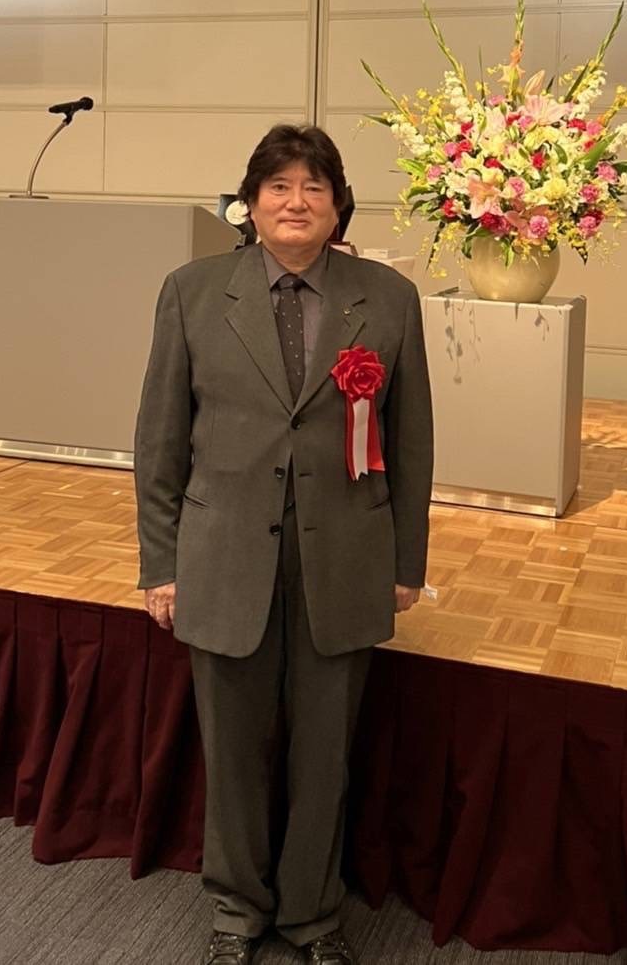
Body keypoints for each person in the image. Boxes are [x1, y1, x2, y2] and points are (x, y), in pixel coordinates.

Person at [134, 124, 434, 965]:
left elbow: (412, 442)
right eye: (278, 186)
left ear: (339, 206)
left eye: (314, 186)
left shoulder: (388, 297)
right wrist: (161, 565)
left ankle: (312, 915)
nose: (295, 202)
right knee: (232, 754)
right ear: (250, 203)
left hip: (343, 557)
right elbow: (159, 441)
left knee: (324, 756)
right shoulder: (192, 292)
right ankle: (236, 911)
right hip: (224, 557)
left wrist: (405, 562)